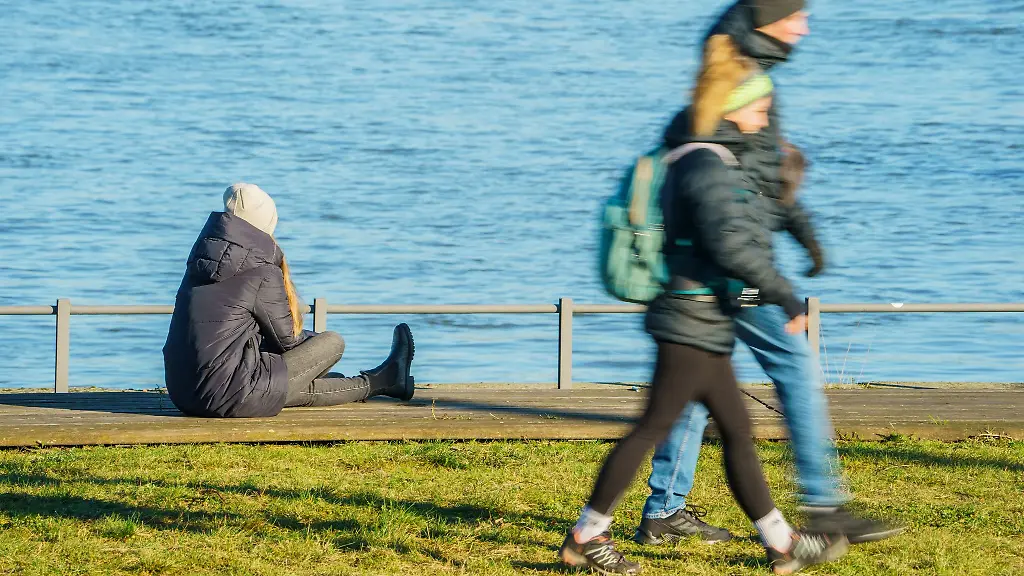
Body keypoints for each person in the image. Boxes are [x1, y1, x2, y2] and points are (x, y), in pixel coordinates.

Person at [559, 43, 847, 576]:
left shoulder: (699, 157)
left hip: (703, 318)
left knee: (737, 433)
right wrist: (782, 293)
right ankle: (585, 536)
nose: (766, 115)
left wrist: (763, 289)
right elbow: (727, 247)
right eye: (759, 105)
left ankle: (782, 545)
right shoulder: (706, 164)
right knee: (650, 429)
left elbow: (713, 257)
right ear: (734, 103)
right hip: (689, 323)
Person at [633, 0, 901, 547]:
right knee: (794, 362)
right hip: (735, 272)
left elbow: (759, 175)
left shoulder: (739, 68)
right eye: (796, 14)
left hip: (724, 263)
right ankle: (824, 505)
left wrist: (800, 228)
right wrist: (781, 287)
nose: (805, 25)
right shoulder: (738, 79)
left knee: (693, 382)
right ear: (767, 19)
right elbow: (735, 189)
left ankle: (663, 511)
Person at [163, 183, 415, 418]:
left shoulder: (201, 261)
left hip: (184, 391)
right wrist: (315, 344)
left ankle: (387, 380)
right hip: (228, 393)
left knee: (286, 386)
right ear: (267, 225)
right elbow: (287, 341)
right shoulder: (260, 269)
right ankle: (385, 380)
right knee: (333, 343)